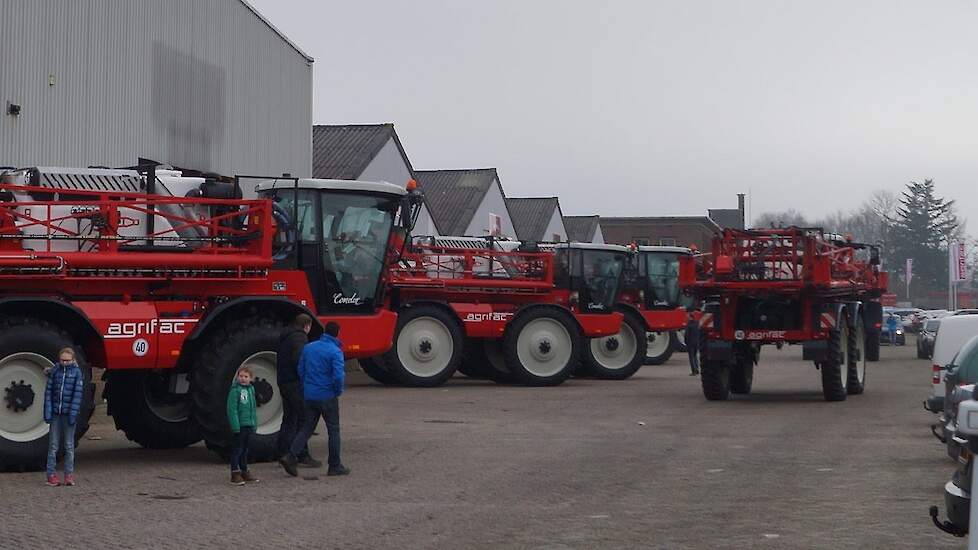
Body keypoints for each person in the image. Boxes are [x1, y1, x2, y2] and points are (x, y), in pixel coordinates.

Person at [280, 321, 349, 477]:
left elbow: (301, 369)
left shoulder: (309, 348)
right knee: (333, 430)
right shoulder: (335, 351)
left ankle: (290, 456)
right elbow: (338, 376)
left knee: (306, 428)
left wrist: (306, 387)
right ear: (337, 333)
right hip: (328, 395)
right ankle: (334, 465)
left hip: (310, 395)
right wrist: (337, 391)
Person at [275, 313, 320, 467]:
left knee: (288, 418)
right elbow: (299, 360)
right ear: (307, 326)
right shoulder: (300, 338)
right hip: (294, 383)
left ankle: (281, 451)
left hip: (283, 381)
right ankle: (302, 454)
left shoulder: (285, 336)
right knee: (304, 418)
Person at [43, 347, 85, 487]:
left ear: (73, 360)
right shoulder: (55, 372)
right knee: (53, 446)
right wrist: (48, 412)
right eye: (62, 360)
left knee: (69, 446)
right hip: (56, 413)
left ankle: (68, 475)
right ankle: (51, 475)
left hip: (68, 415)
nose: (65, 363)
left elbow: (77, 395)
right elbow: (48, 393)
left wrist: (73, 414)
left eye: (67, 360)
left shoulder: (77, 373)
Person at [227, 365, 260, 486]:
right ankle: (235, 472)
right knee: (237, 449)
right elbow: (232, 409)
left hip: (248, 425)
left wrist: (254, 424)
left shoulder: (251, 390)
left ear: (251, 378)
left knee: (245, 450)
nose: (243, 378)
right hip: (240, 426)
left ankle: (244, 470)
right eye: (241, 376)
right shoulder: (235, 391)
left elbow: (253, 409)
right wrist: (235, 425)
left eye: (246, 376)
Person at [685, 310, 700, 376]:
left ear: (690, 317)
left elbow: (686, 335)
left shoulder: (689, 324)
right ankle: (697, 368)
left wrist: (686, 342)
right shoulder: (697, 323)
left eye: (687, 316)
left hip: (690, 343)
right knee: (695, 356)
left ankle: (694, 370)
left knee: (691, 357)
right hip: (697, 342)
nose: (686, 317)